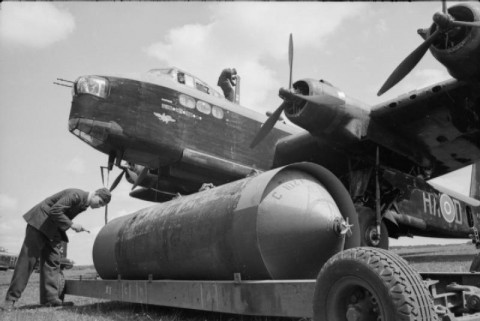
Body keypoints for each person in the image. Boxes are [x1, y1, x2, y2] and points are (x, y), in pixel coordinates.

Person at [0, 188, 111, 311]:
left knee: (52, 261)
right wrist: (71, 224)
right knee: (27, 261)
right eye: (100, 202)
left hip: (52, 229)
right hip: (40, 223)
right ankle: (10, 300)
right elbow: (55, 210)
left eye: (102, 205)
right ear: (95, 194)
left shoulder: (84, 204)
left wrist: (68, 225)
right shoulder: (77, 196)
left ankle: (50, 300)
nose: (99, 206)